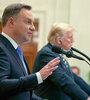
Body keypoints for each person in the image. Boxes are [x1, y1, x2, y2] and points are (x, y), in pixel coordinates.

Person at [0, 4, 60, 100]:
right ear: (11, 22)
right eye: (28, 22)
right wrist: (38, 76)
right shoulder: (1, 47)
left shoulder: (16, 50)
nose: (33, 27)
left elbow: (24, 94)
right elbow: (2, 85)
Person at [33, 23, 90, 100]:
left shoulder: (57, 53)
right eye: (70, 37)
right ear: (59, 40)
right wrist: (86, 98)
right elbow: (63, 80)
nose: (73, 40)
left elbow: (74, 78)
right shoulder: (46, 54)